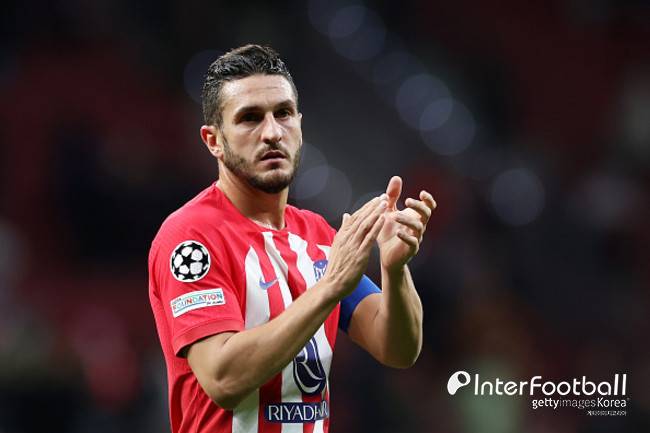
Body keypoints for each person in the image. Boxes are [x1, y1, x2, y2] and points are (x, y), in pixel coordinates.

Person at [148, 44, 436, 433]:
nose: (272, 132)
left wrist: (395, 269)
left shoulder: (318, 236)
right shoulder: (191, 237)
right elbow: (224, 379)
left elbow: (398, 349)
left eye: (283, 113)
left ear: (299, 125)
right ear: (214, 140)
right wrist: (330, 286)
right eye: (250, 118)